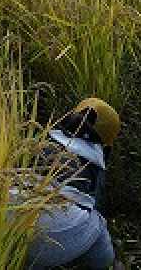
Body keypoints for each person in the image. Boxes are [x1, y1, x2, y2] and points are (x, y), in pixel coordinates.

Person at [25, 98, 121, 270]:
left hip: (4, 233)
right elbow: (95, 205)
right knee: (97, 221)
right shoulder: (95, 163)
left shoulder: (43, 137)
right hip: (49, 246)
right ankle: (109, 266)